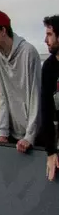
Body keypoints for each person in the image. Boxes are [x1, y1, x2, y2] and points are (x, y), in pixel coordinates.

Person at [0, 10, 42, 152]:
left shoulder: (29, 52)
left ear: (3, 31)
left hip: (34, 133)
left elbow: (35, 95)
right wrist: (2, 131)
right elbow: (2, 92)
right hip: (13, 133)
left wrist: (29, 136)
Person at [40, 16, 59, 181]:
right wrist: (51, 152)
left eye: (50, 34)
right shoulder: (48, 67)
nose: (46, 40)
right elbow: (46, 110)